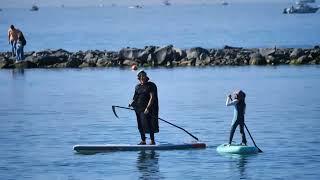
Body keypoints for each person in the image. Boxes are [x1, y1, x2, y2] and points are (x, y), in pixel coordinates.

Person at [129, 70, 159, 145]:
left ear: (146, 77)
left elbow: (152, 98)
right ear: (138, 78)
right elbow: (135, 97)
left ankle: (152, 141)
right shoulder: (137, 87)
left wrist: (148, 108)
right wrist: (131, 103)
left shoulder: (151, 85)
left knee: (149, 124)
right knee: (140, 125)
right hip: (138, 108)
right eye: (141, 76)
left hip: (147, 109)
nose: (142, 77)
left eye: (143, 76)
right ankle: (143, 140)